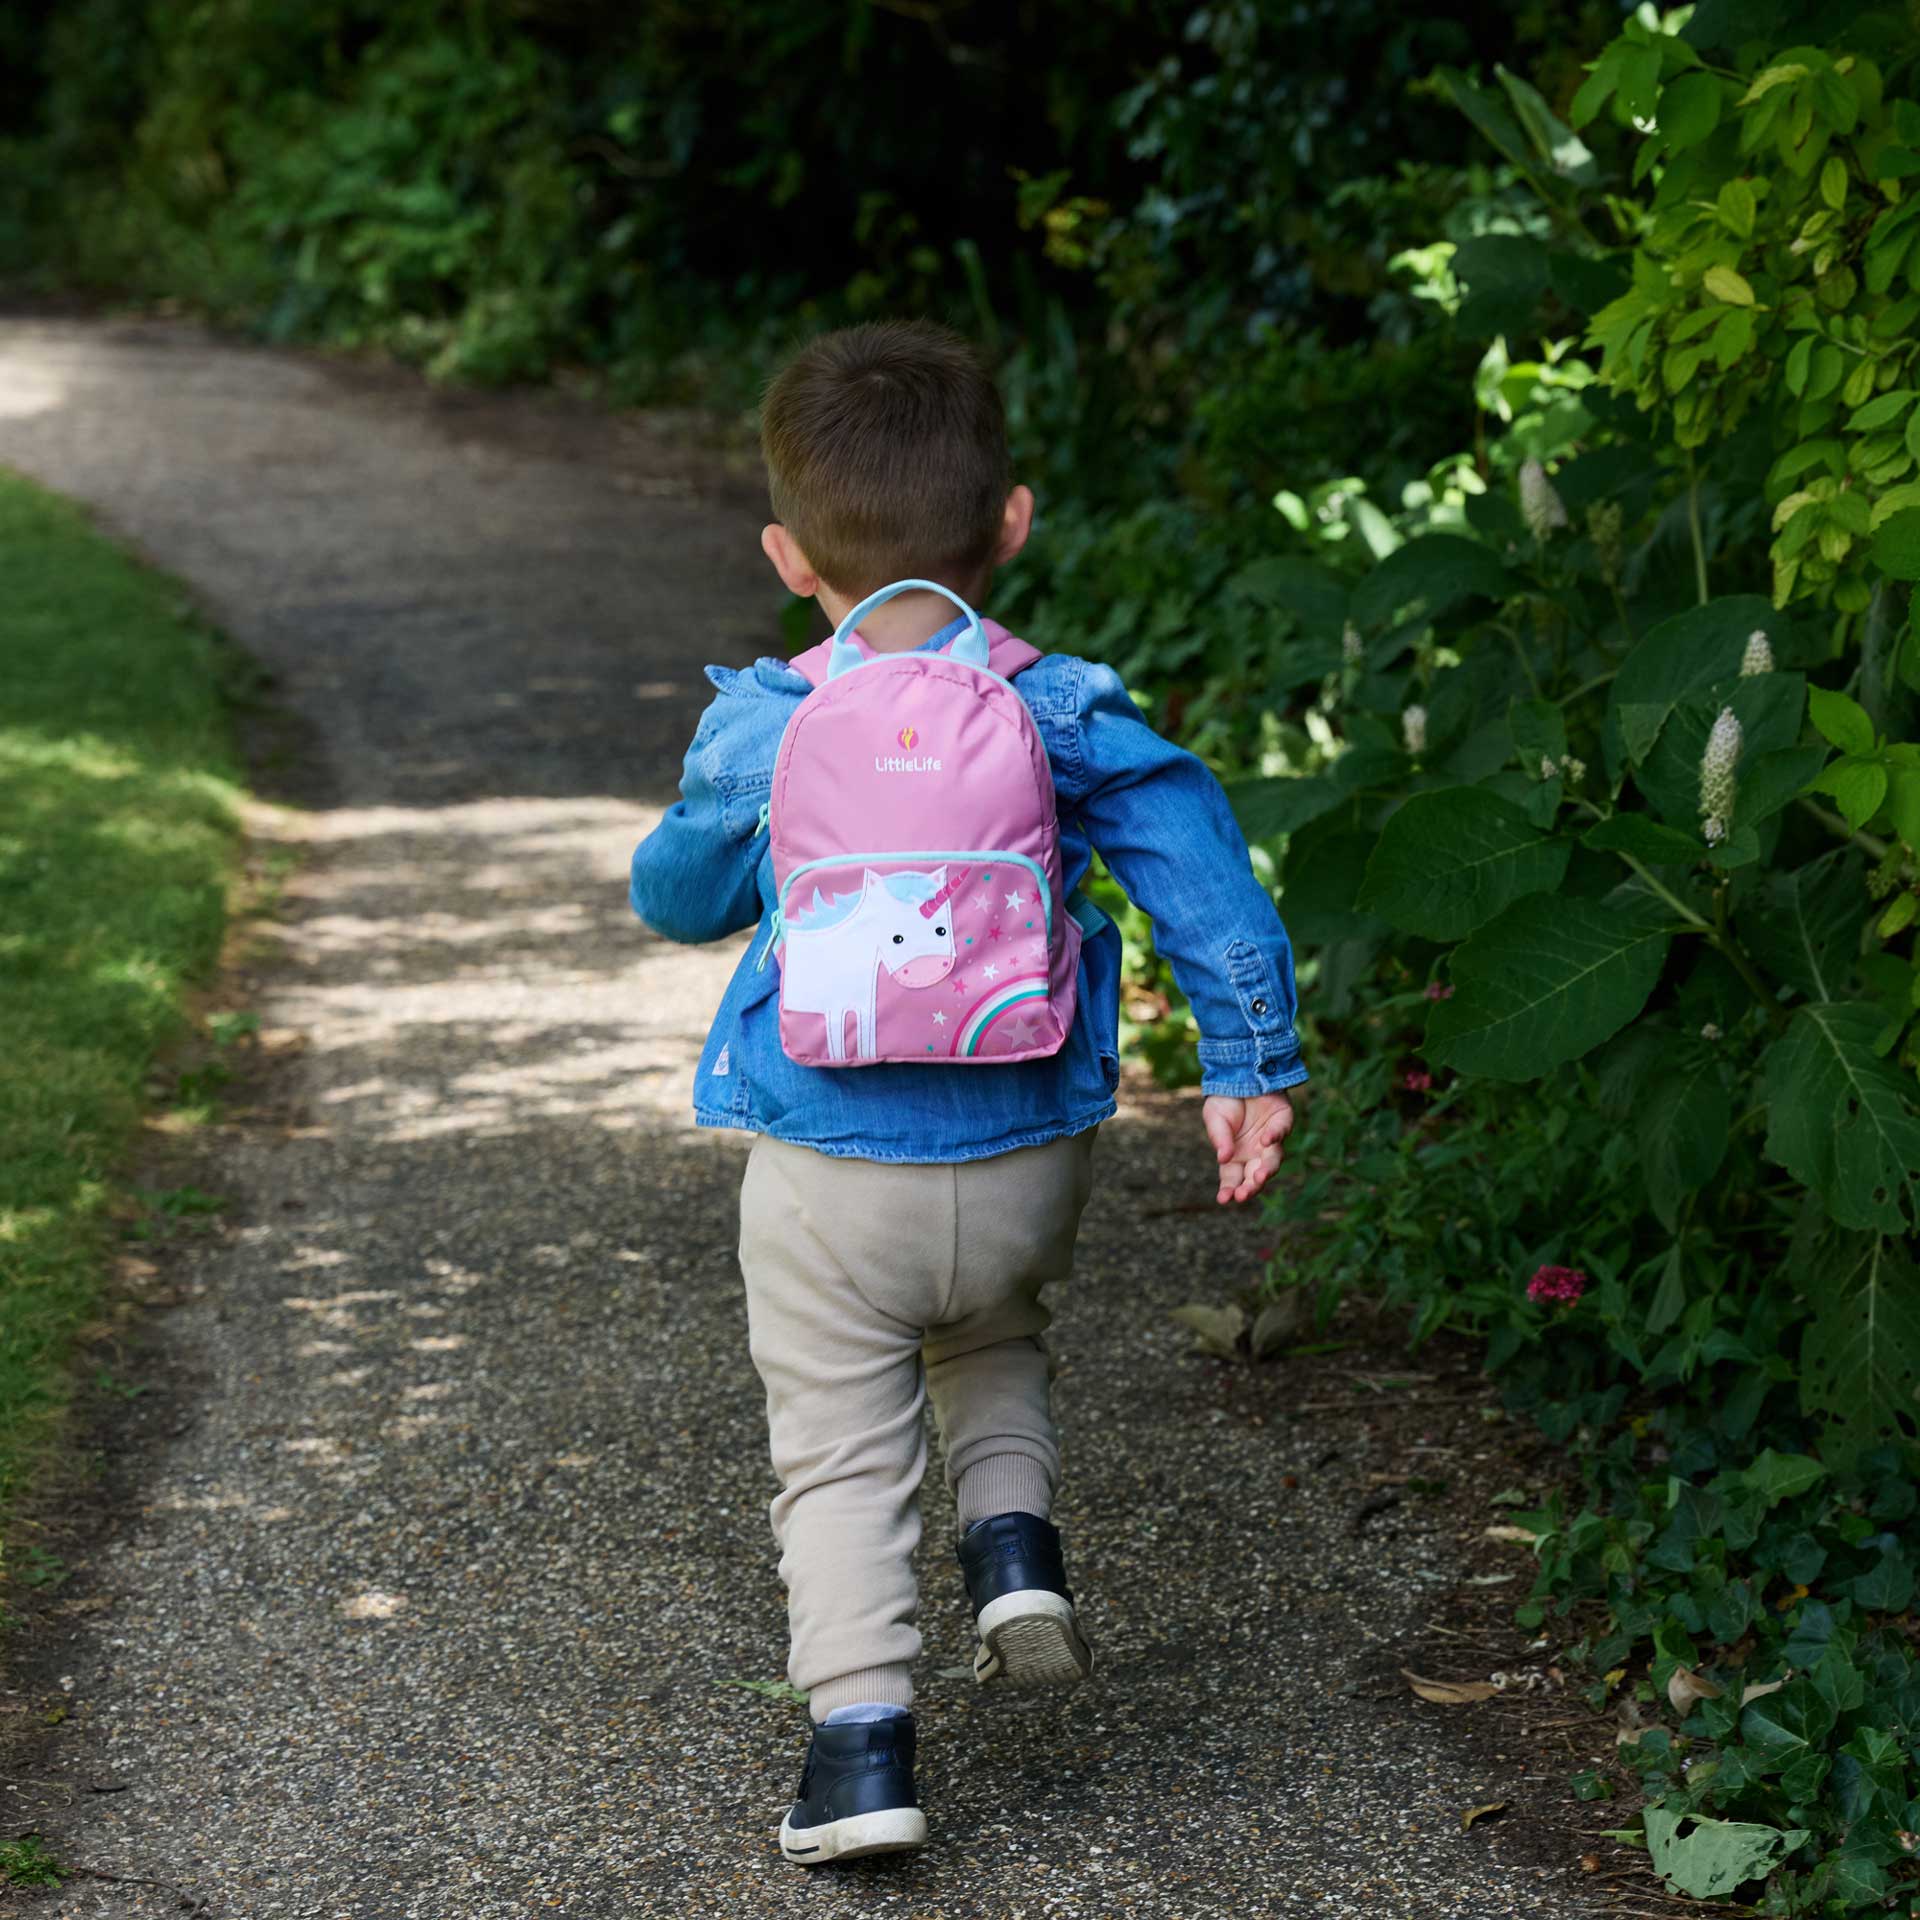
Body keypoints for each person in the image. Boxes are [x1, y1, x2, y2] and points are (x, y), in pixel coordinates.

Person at [628, 318, 1306, 1865]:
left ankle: (862, 1753)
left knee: (843, 1441)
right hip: (1023, 1157)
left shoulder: (767, 723)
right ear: (1013, 522)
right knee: (994, 1330)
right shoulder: (1060, 709)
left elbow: (674, 898)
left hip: (826, 1170)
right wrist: (1250, 1064)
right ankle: (1014, 1553)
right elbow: (1198, 869)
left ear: (788, 554)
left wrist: (718, 826)